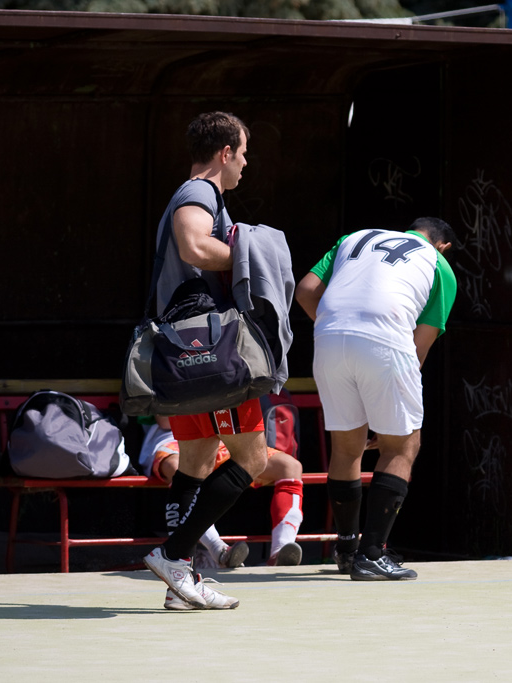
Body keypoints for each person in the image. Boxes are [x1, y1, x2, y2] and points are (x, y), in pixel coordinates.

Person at [142, 111, 285, 610]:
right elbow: (194, 244)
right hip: (210, 351)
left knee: (199, 461)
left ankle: (180, 585)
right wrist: (257, 257)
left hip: (187, 354)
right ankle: (173, 555)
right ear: (225, 153)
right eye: (243, 153)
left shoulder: (197, 194)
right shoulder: (199, 192)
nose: (245, 163)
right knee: (253, 459)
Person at [294, 218, 458, 580]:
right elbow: (418, 348)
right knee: (401, 446)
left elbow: (305, 290)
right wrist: (387, 412)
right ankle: (371, 554)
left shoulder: (353, 237)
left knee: (346, 448)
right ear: (443, 245)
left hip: (329, 337)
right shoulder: (438, 263)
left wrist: (339, 326)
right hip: (386, 341)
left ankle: (346, 550)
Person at [139, 413, 305, 570]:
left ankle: (281, 550)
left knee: (290, 466)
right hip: (174, 440)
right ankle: (219, 551)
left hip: (227, 438)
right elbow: (164, 420)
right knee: (177, 468)